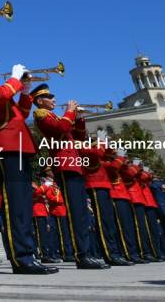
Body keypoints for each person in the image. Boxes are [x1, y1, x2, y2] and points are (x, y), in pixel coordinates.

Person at [0, 49, 56, 275]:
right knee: (15, 204)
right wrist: (15, 79)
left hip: (19, 146)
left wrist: (25, 90)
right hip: (5, 147)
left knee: (23, 204)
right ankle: (21, 257)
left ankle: (27, 254)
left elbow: (21, 113)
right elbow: (0, 97)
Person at [32, 83, 108, 270]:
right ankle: (81, 255)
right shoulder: (42, 115)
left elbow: (78, 137)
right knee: (75, 212)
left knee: (81, 212)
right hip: (64, 164)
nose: (54, 100)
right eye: (49, 97)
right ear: (40, 101)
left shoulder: (57, 116)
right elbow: (60, 127)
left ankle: (86, 253)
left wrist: (80, 119)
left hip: (74, 165)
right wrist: (70, 111)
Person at [78, 128, 132, 266]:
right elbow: (99, 153)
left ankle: (114, 252)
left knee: (109, 222)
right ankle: (110, 254)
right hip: (95, 184)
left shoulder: (95, 148)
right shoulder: (82, 146)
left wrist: (110, 146)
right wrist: (102, 142)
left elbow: (106, 153)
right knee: (104, 223)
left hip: (104, 185)